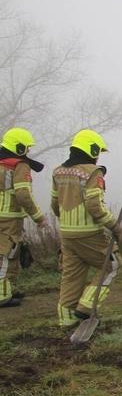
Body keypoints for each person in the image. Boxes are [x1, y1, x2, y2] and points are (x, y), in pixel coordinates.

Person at [50, 129, 122, 327]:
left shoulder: (58, 171)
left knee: (72, 275)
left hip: (66, 234)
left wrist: (67, 222)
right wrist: (114, 226)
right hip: (89, 233)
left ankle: (67, 319)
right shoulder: (93, 172)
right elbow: (94, 207)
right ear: (91, 150)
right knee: (112, 264)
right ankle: (86, 306)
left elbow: (55, 204)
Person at [0, 128, 47, 308]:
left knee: (8, 253)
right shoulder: (18, 165)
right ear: (18, 147)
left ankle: (9, 289)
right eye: (26, 147)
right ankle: (2, 295)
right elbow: (23, 195)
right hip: (9, 218)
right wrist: (38, 217)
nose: (28, 151)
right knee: (7, 255)